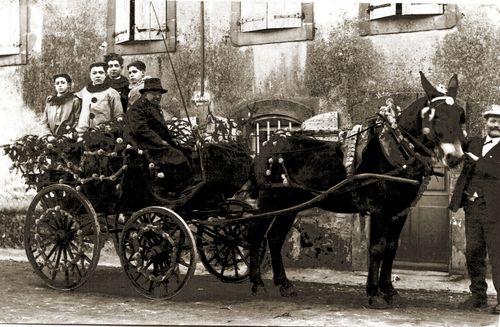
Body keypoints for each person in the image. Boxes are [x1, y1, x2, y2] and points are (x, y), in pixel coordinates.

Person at [450, 104, 500, 314]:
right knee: (473, 253)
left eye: (499, 121)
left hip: (496, 210)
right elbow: (456, 153)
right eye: (492, 120)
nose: (496, 124)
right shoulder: (475, 142)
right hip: (472, 209)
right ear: (485, 122)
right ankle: (478, 296)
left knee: (498, 255)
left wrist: (478, 161)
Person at [124, 78, 193, 197]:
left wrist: (171, 139)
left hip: (155, 143)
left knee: (188, 151)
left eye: (159, 93)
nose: (158, 96)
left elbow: (161, 129)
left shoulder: (153, 106)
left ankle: (183, 188)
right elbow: (141, 130)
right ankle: (175, 190)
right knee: (179, 158)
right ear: (145, 93)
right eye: (154, 93)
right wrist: (161, 141)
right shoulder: (137, 108)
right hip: (144, 145)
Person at [76, 62, 124, 135]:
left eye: (101, 73)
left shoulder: (112, 93)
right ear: (90, 75)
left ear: (105, 75)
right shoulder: (85, 90)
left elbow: (118, 115)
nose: (97, 76)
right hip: (82, 132)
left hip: (103, 133)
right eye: (94, 73)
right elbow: (73, 97)